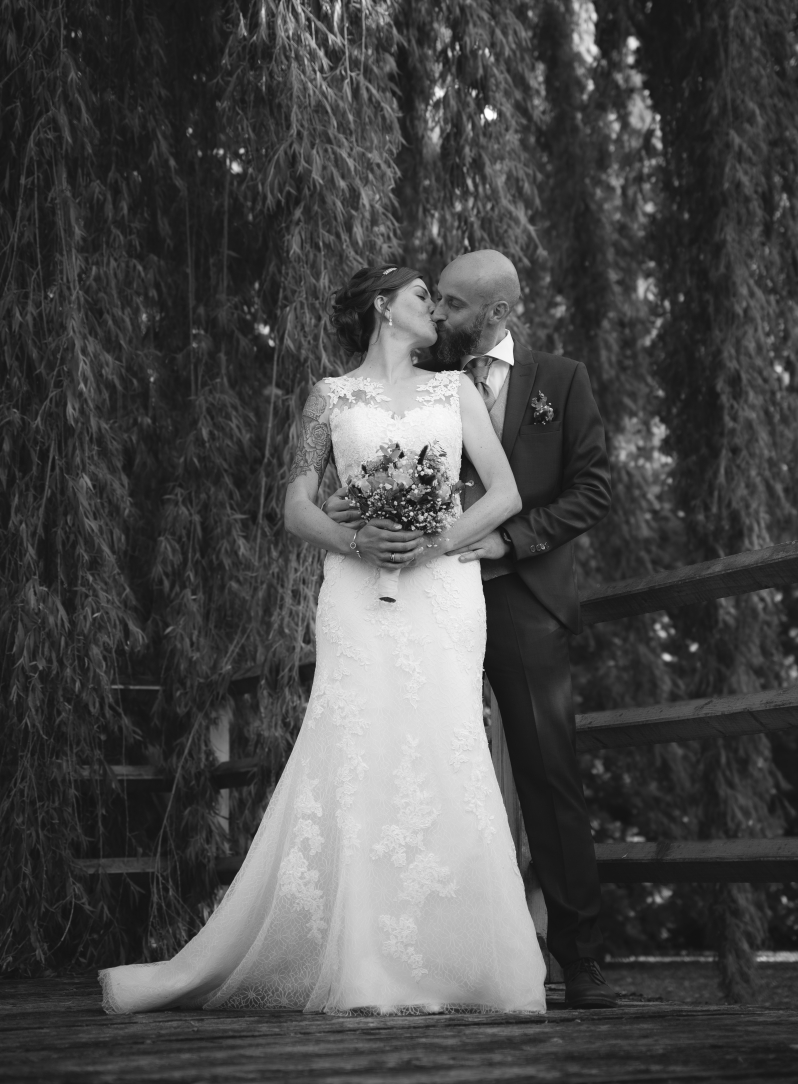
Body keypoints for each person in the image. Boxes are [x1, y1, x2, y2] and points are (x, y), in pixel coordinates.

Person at [98, 263, 547, 1015]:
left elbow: (505, 493)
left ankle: (462, 958)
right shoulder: (328, 398)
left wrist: (433, 542)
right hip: (356, 595)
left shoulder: (455, 391)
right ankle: (362, 959)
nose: (435, 310)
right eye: (421, 297)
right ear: (384, 308)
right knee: (359, 747)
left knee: (446, 748)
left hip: (442, 595)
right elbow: (295, 506)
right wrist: (355, 537)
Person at [327, 249, 617, 1009]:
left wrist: (511, 540)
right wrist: (353, 510)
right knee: (419, 768)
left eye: (453, 303)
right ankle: (421, 952)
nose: (440, 313)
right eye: (436, 300)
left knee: (548, 775)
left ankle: (581, 959)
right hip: (422, 600)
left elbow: (594, 489)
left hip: (520, 598)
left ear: (496, 312)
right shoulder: (426, 376)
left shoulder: (560, 381)